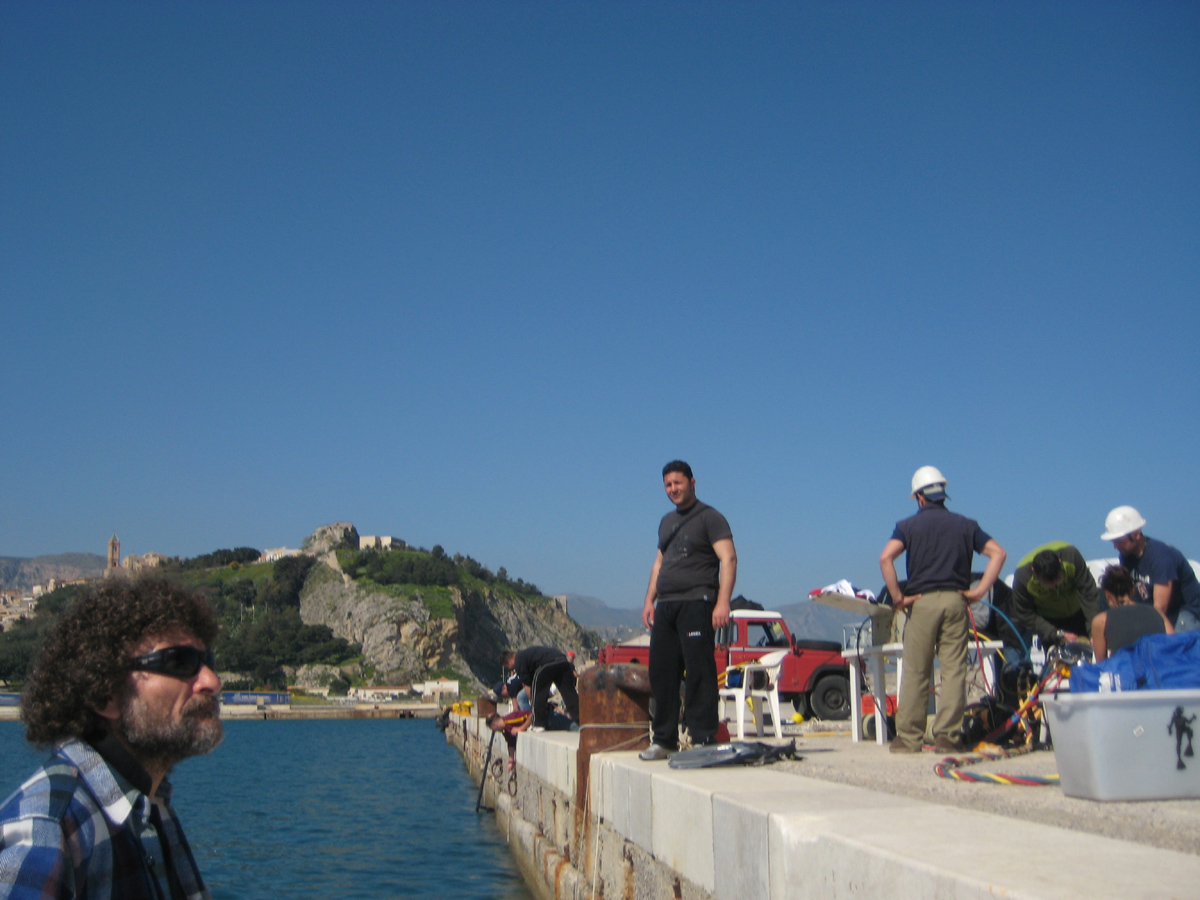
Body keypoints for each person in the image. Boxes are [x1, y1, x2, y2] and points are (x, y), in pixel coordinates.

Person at [0, 578, 223, 900]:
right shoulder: (46, 830)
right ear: (105, 695)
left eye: (208, 661)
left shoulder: (150, 807)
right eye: (179, 662)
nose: (212, 681)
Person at [879, 466, 1006, 754]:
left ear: (919, 497)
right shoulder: (967, 525)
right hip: (956, 601)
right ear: (942, 495)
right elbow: (998, 553)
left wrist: (898, 598)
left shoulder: (907, 526)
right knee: (953, 671)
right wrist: (978, 592)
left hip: (921, 602)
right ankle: (948, 736)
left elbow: (886, 558)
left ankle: (908, 739)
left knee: (916, 671)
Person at [639, 460, 737, 761]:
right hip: (666, 605)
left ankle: (703, 737)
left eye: (678, 483)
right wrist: (649, 600)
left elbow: (729, 558)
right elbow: (659, 564)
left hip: (698, 601)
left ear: (692, 483)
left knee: (699, 671)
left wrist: (723, 602)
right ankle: (664, 739)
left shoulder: (711, 518)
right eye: (668, 485)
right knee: (662, 673)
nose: (673, 489)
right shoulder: (666, 522)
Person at [1101, 505, 1200, 632]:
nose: (1115, 546)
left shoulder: (1161, 557)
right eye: (1113, 541)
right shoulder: (1126, 557)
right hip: (1160, 613)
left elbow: (1160, 607)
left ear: (1136, 534)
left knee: (1178, 639)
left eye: (1119, 540)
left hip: (1186, 613)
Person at [1010, 542, 1103, 647]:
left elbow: (1089, 594)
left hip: (1080, 614)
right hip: (1049, 622)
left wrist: (1094, 631)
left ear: (1060, 562)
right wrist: (1055, 633)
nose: (1054, 586)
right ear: (1033, 571)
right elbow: (1025, 613)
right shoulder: (1022, 577)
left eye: (1057, 579)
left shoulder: (1072, 556)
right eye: (1047, 583)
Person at [1090, 565, 1172, 660]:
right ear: (1133, 591)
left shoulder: (1101, 621)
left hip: (1125, 669)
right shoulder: (1157, 612)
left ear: (1107, 595)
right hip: (1158, 667)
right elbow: (1174, 642)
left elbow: (1102, 663)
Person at [500, 646, 579, 729]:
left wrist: (533, 703)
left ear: (509, 662)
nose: (510, 669)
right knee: (569, 694)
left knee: (538, 691)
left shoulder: (519, 661)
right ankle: (580, 720)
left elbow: (528, 686)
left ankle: (538, 724)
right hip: (563, 660)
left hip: (547, 663)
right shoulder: (525, 655)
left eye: (507, 667)